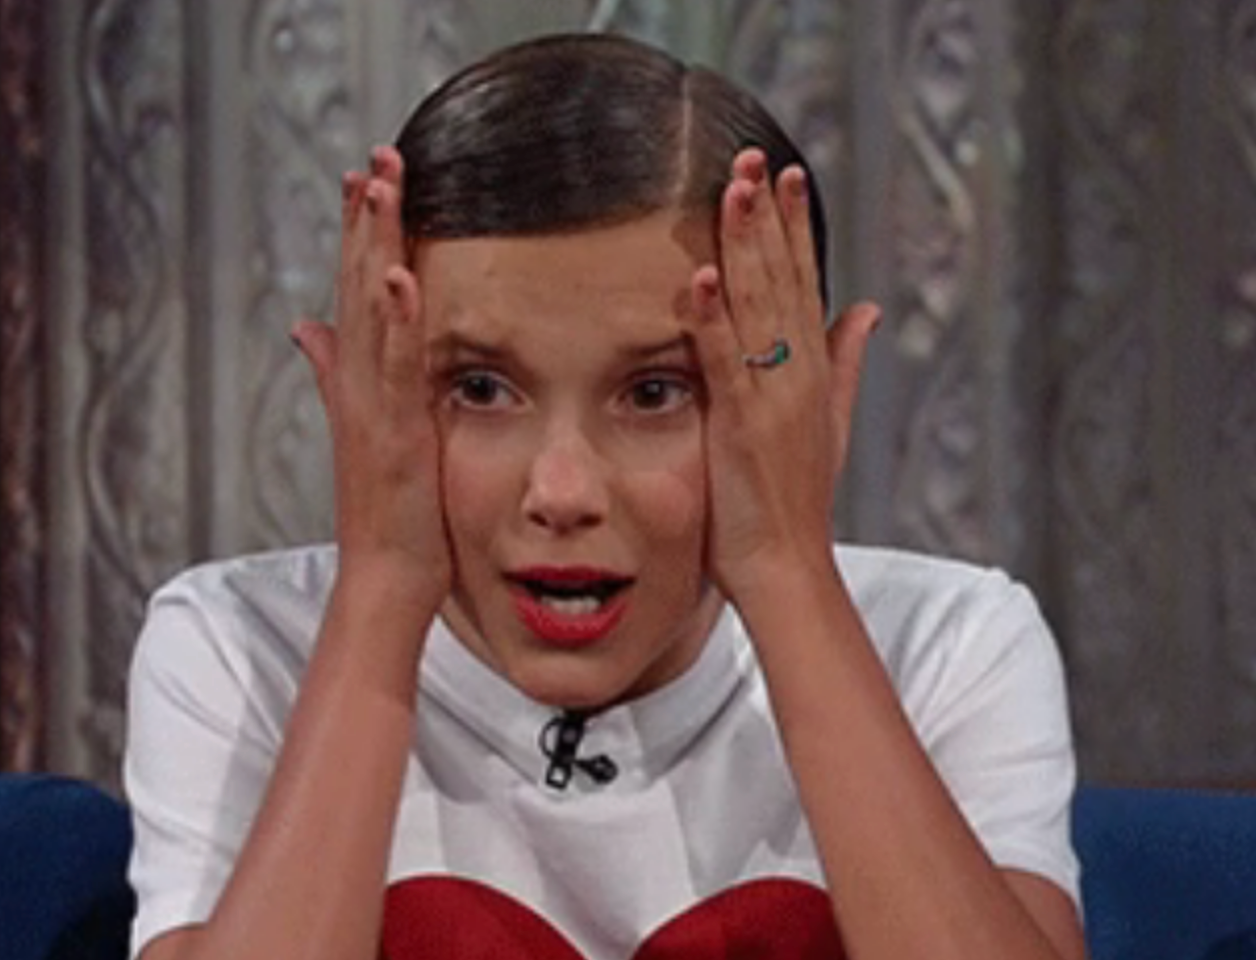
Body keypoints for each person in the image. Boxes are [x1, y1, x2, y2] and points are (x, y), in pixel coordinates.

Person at [124, 32, 1087, 960]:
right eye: (479, 388)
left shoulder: (949, 649)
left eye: (656, 393)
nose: (562, 493)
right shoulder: (238, 649)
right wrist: (379, 589)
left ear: (812, 401)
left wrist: (788, 575)